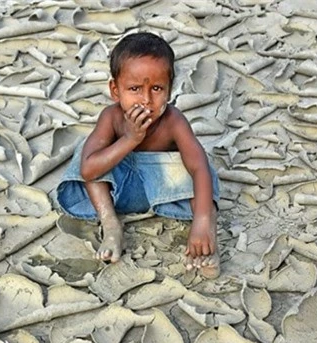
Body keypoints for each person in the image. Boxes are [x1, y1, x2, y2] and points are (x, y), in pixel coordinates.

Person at [56, 31, 221, 278]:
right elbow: (88, 171)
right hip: (119, 191)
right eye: (134, 88)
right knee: (87, 152)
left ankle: (207, 240)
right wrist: (130, 139)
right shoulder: (111, 118)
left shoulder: (174, 121)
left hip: (163, 191)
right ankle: (111, 225)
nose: (146, 100)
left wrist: (202, 220)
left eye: (156, 88)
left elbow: (198, 168)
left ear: (169, 89)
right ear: (115, 90)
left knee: (200, 167)